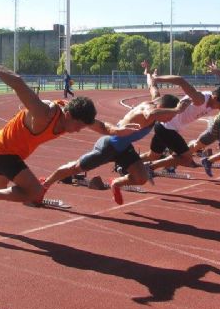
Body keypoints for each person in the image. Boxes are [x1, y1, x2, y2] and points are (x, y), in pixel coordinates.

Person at [0, 43, 138, 224]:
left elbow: (101, 127)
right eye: (78, 126)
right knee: (34, 192)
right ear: (69, 115)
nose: (79, 130)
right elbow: (18, 83)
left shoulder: (73, 116)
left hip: (9, 149)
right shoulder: (44, 113)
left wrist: (119, 131)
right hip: (4, 150)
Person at [41, 63, 192, 205]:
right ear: (163, 107)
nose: (170, 119)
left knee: (141, 178)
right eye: (170, 115)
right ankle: (45, 184)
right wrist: (177, 110)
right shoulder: (149, 110)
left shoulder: (157, 100)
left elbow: (152, 85)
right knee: (75, 168)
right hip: (109, 145)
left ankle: (116, 183)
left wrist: (147, 72)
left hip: (124, 148)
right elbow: (150, 113)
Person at [140, 64, 220, 174]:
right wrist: (157, 78)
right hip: (168, 128)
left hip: (164, 126)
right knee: (186, 158)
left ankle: (128, 164)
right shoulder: (200, 99)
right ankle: (151, 167)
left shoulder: (216, 102)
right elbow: (180, 80)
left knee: (152, 155)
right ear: (215, 98)